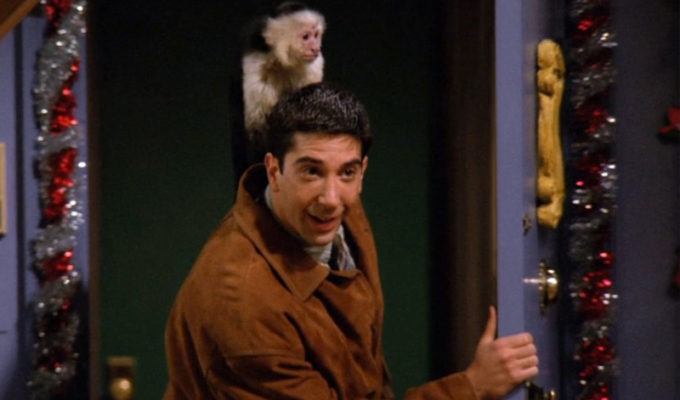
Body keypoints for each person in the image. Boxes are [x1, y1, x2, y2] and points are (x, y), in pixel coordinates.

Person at [163, 83, 538, 399]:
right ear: (274, 170)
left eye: (347, 172)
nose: (331, 198)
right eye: (311, 171)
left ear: (362, 171)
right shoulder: (244, 300)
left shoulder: (336, 212)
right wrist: (471, 386)